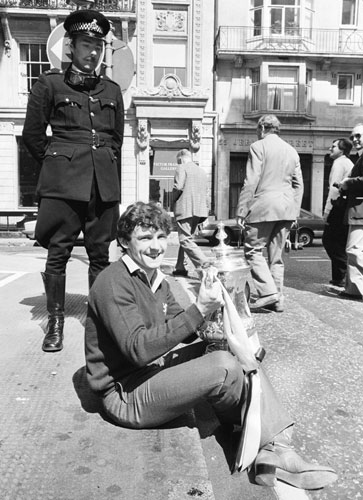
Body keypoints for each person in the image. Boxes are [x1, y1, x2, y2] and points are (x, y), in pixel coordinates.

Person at [84, 201, 337, 491]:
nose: (155, 247)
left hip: (147, 374)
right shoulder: (113, 282)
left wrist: (219, 307)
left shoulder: (155, 278)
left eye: (160, 237)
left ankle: (272, 446)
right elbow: (138, 349)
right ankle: (265, 446)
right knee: (223, 366)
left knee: (232, 351)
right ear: (124, 243)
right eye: (144, 238)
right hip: (125, 394)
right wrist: (198, 309)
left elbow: (187, 329)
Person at [22, 9, 124, 352]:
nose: (93, 52)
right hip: (63, 187)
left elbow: (116, 141)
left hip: (102, 187)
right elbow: (33, 137)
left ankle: (98, 324)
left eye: (98, 45)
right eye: (86, 44)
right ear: (71, 46)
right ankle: (55, 322)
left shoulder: (111, 89)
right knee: (58, 254)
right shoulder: (49, 84)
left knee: (100, 257)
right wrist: (59, 164)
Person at [236, 115, 303, 312]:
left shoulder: (258, 146)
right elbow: (299, 185)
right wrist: (295, 211)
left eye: (258, 129)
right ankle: (277, 299)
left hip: (264, 206)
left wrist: (241, 210)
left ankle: (268, 293)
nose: (257, 133)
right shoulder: (292, 151)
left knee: (253, 250)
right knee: (276, 256)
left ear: (263, 128)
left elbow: (251, 180)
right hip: (287, 208)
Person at [335, 124, 363, 300]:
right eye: (353, 137)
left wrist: (347, 182)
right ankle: (353, 288)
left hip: (360, 211)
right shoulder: (359, 157)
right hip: (358, 209)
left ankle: (357, 289)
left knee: (354, 249)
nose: (355, 140)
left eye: (358, 136)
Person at [172, 149, 209, 277]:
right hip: (199, 210)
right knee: (188, 238)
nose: (178, 163)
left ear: (181, 159)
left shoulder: (181, 167)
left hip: (185, 208)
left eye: (178, 161)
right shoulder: (202, 171)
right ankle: (180, 266)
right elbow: (207, 193)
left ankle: (205, 263)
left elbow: (178, 187)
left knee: (184, 239)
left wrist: (172, 201)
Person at [322, 139, 353, 287]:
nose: (330, 148)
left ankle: (346, 272)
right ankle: (338, 277)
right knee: (339, 241)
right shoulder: (347, 162)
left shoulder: (339, 163)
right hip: (345, 206)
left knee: (329, 241)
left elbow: (334, 190)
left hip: (338, 206)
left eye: (333, 146)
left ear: (341, 150)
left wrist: (327, 211)